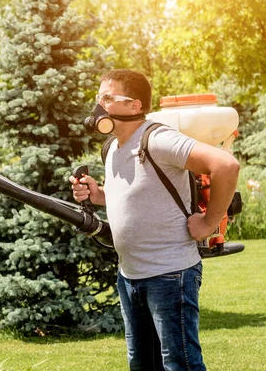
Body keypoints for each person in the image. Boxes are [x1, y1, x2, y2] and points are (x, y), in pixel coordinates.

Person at [69, 69, 240, 371]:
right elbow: (134, 196)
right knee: (142, 365)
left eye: (107, 98)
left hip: (170, 275)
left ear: (134, 106)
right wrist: (98, 195)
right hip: (129, 276)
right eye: (99, 98)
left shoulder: (158, 139)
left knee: (180, 365)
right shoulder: (111, 148)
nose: (99, 105)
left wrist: (209, 223)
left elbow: (226, 165)